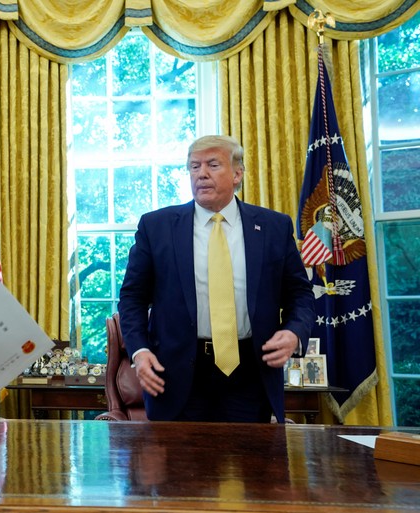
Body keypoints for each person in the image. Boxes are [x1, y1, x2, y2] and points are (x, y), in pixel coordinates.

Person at [118, 135, 314, 423]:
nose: (201, 174)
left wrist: (294, 332)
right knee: (180, 468)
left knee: (253, 465)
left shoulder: (273, 226)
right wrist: (140, 350)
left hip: (250, 373)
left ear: (237, 174)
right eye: (194, 167)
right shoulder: (156, 226)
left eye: (212, 164)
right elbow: (132, 298)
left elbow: (300, 293)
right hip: (176, 375)